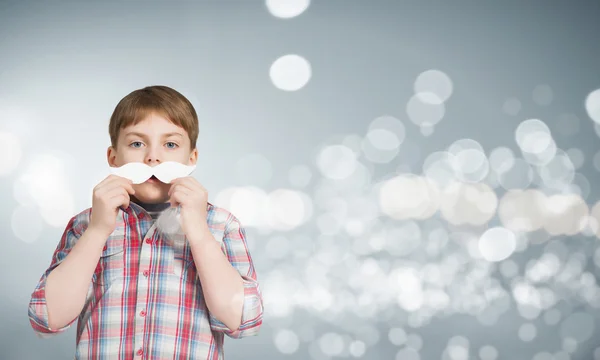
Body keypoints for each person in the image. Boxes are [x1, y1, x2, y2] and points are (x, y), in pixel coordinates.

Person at [28, 85, 263, 359]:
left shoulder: (221, 225)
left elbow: (245, 321)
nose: (153, 157)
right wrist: (98, 230)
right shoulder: (85, 225)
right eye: (137, 144)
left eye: (170, 144)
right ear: (113, 158)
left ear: (192, 158)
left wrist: (199, 232)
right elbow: (46, 319)